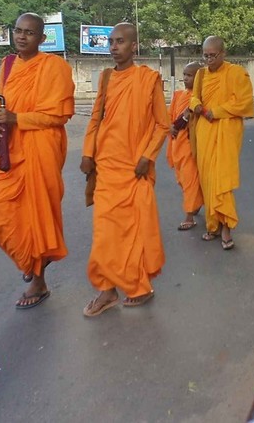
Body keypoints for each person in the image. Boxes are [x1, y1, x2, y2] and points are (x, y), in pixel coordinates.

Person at [0, 13, 75, 309]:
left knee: (37, 216)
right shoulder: (8, 64)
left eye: (30, 33)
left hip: (41, 147)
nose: (22, 37)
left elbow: (58, 115)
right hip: (10, 147)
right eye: (18, 31)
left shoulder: (55, 67)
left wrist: (18, 118)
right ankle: (29, 260)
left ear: (42, 38)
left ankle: (38, 279)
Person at [81, 23, 169, 316]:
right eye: (111, 42)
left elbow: (162, 124)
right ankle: (107, 291)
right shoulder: (106, 79)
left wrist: (147, 156)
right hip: (107, 168)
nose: (114, 46)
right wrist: (87, 153)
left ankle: (139, 287)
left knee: (132, 232)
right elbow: (95, 121)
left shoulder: (148, 78)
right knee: (105, 233)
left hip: (135, 169)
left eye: (120, 42)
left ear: (134, 46)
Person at [191, 36, 254, 250]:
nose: (208, 59)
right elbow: (193, 97)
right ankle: (212, 225)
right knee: (208, 179)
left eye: (213, 55)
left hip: (226, 130)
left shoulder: (236, 73)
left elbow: (244, 102)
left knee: (223, 180)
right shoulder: (200, 74)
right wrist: (198, 105)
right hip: (204, 131)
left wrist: (216, 112)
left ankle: (226, 226)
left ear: (223, 53)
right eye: (205, 55)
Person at [167, 62, 203, 231]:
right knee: (181, 180)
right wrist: (171, 126)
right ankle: (195, 203)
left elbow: (194, 117)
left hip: (190, 144)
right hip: (176, 144)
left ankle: (189, 216)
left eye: (190, 75)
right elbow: (169, 116)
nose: (185, 78)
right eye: (185, 74)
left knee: (189, 180)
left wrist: (182, 121)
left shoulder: (199, 97)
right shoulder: (178, 95)